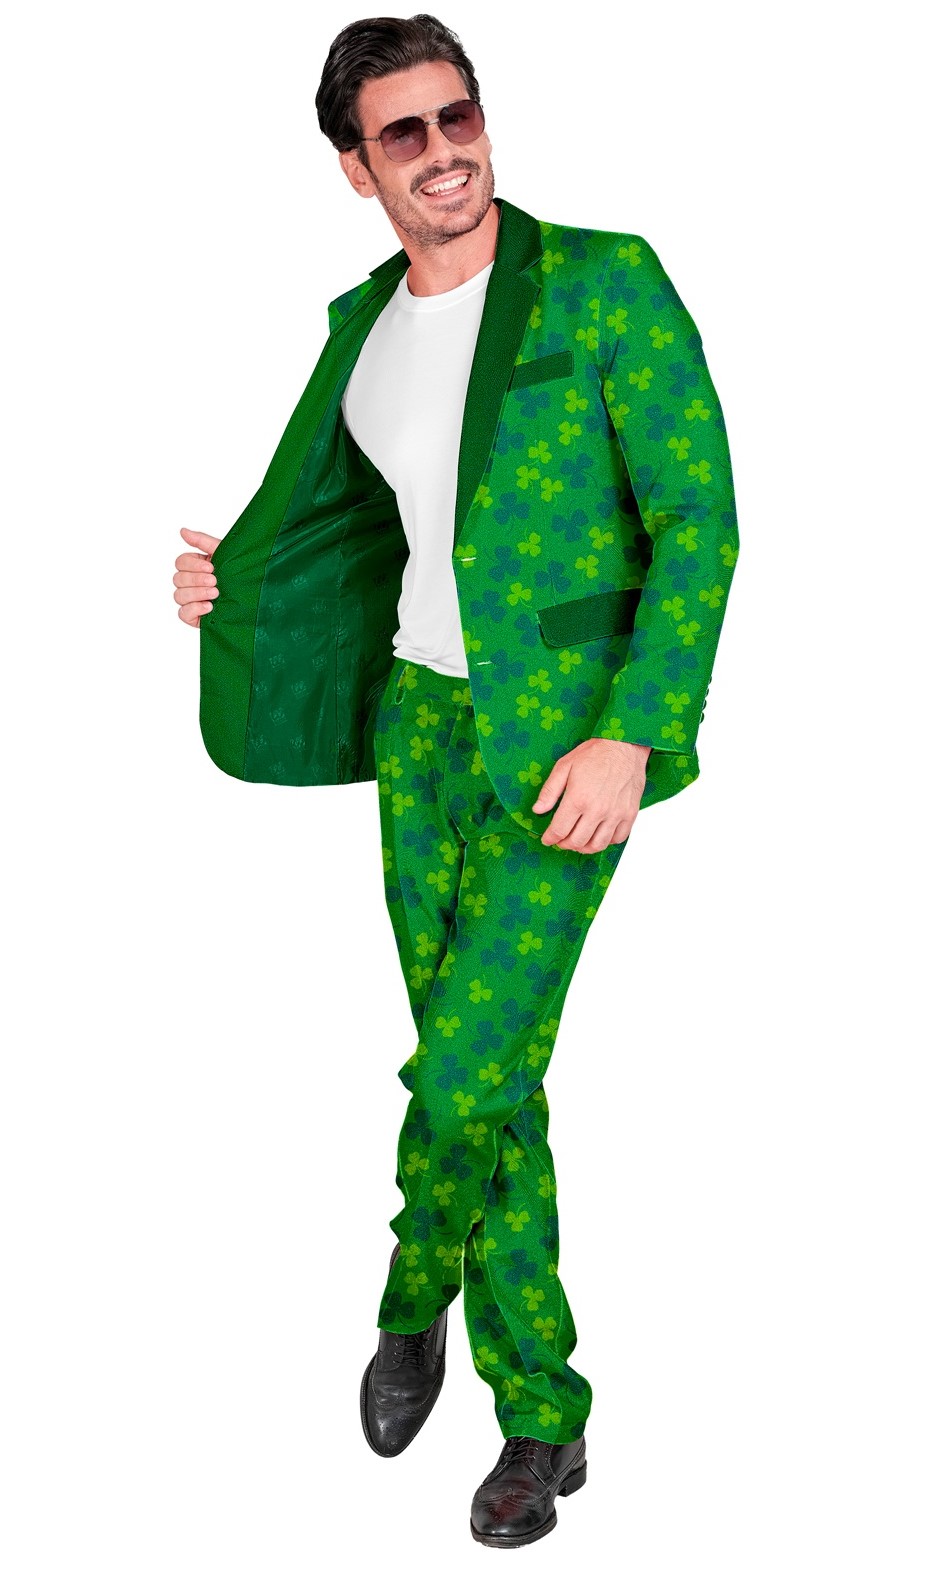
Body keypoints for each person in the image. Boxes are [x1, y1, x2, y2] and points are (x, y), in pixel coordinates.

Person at [172, 13, 739, 1549]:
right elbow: (355, 527)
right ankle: (538, 1403)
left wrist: (635, 731)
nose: (444, 151)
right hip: (419, 727)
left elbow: (698, 519)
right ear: (355, 169)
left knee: (467, 1070)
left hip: (568, 743)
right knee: (492, 1074)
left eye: (459, 116)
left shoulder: (603, 280)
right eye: (404, 133)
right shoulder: (363, 327)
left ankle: (439, 1310)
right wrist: (232, 583)